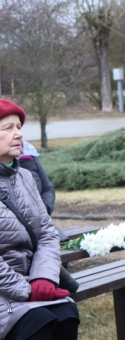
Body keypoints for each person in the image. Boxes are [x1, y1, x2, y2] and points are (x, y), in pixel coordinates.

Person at [0, 99, 79, 340]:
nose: (18, 135)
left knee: (67, 313)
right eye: (8, 128)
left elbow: (46, 232)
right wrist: (28, 291)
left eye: (19, 127)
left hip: (32, 280)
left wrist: (43, 278)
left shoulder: (24, 177)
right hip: (8, 291)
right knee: (39, 323)